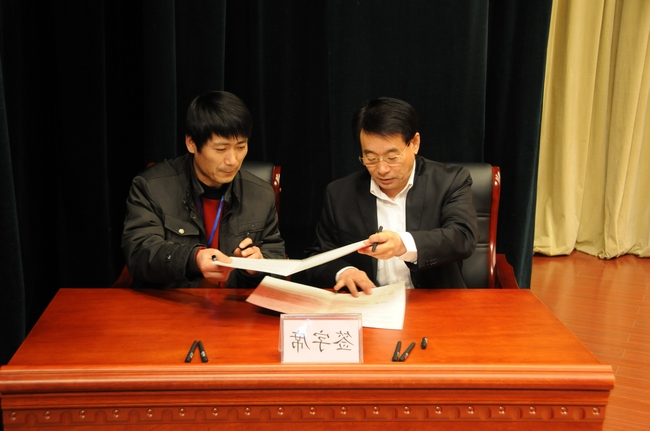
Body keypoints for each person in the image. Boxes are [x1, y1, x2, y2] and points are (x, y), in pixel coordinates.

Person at [305, 97, 478, 296]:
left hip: (433, 302)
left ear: (414, 143)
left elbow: (463, 237)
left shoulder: (450, 181)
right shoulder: (340, 194)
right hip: (369, 303)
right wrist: (344, 271)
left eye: (392, 157)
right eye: (371, 158)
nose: (382, 169)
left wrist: (403, 244)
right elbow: (318, 256)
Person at [122, 90, 285, 288]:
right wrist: (193, 258)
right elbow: (139, 253)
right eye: (220, 149)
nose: (232, 160)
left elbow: (277, 259)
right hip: (174, 301)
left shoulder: (261, 194)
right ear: (191, 143)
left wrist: (257, 268)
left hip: (232, 304)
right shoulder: (151, 186)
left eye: (241, 147)